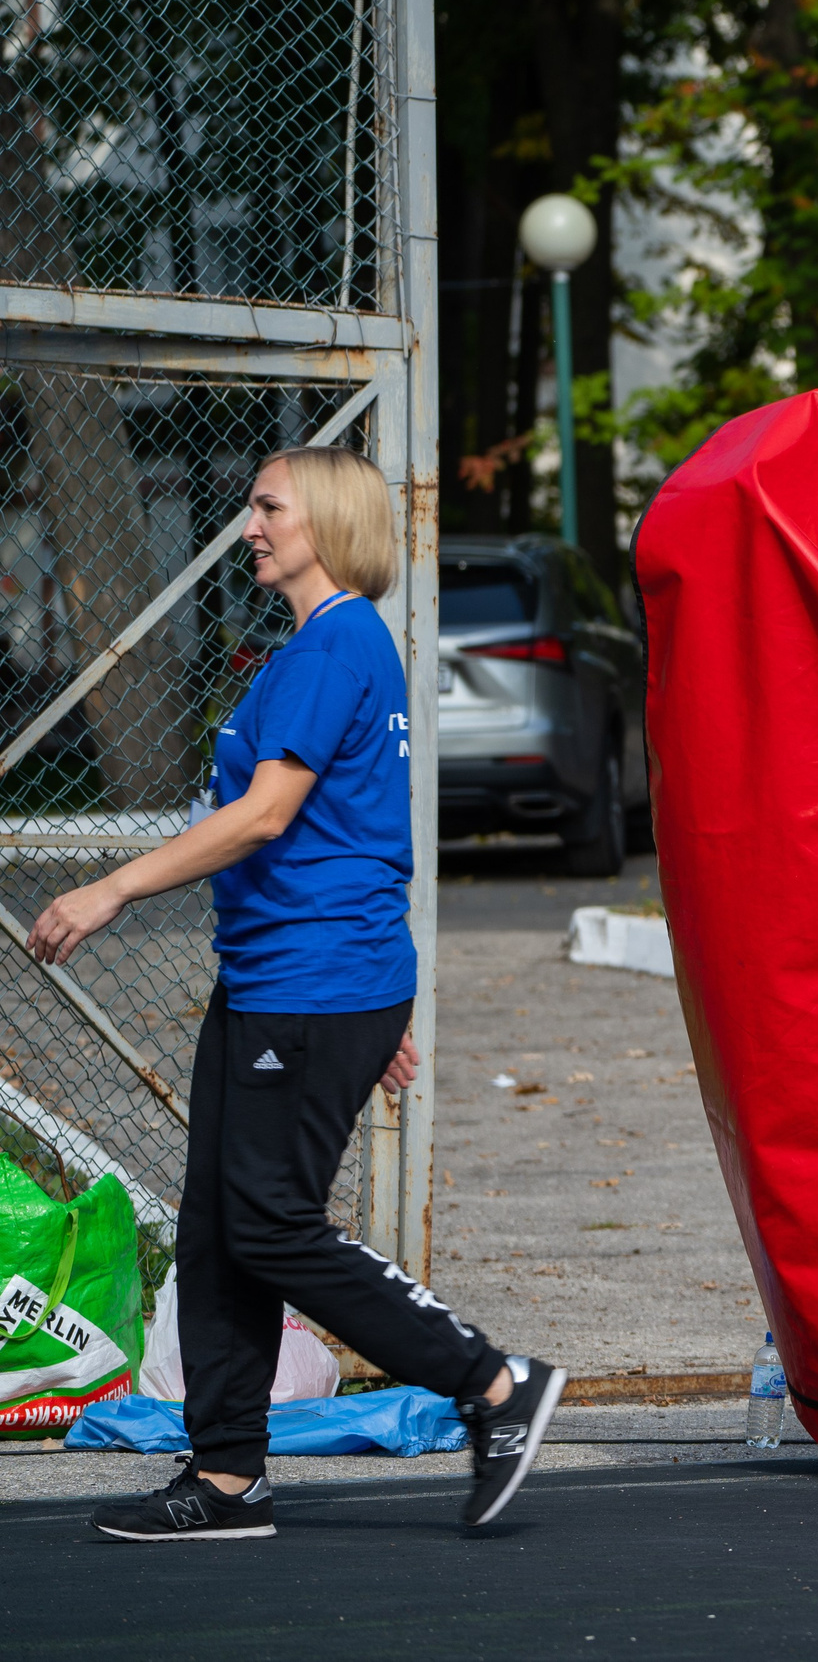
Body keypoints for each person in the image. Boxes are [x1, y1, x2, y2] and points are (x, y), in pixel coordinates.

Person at [29, 447, 564, 1538]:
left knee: (268, 1223)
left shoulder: (337, 647)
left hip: (314, 985)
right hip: (291, 979)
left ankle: (492, 1382)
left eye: (268, 506)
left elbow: (267, 815)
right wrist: (380, 1001)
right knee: (220, 1227)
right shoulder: (312, 653)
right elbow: (361, 826)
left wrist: (112, 889)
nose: (248, 525)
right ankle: (228, 1477)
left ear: (323, 518)